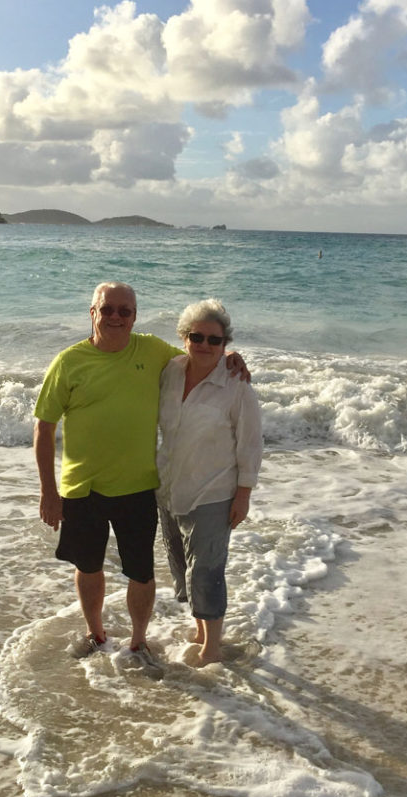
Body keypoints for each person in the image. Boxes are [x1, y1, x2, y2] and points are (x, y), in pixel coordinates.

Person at [33, 281, 248, 663]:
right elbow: (44, 428)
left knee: (141, 572)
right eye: (107, 309)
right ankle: (95, 633)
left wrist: (231, 356)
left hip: (139, 487)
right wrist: (48, 491)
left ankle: (138, 642)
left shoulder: (151, 351)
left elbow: (199, 354)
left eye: (125, 311)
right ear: (92, 312)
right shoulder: (68, 361)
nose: (116, 317)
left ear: (135, 316)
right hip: (82, 487)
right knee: (88, 566)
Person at [156, 299, 263, 665]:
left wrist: (243, 495)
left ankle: (212, 648)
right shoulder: (169, 370)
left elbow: (250, 443)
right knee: (182, 564)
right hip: (169, 487)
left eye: (214, 340)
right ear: (184, 338)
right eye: (196, 336)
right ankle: (201, 629)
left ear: (225, 344)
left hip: (215, 491)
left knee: (207, 568)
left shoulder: (237, 384)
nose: (204, 345)